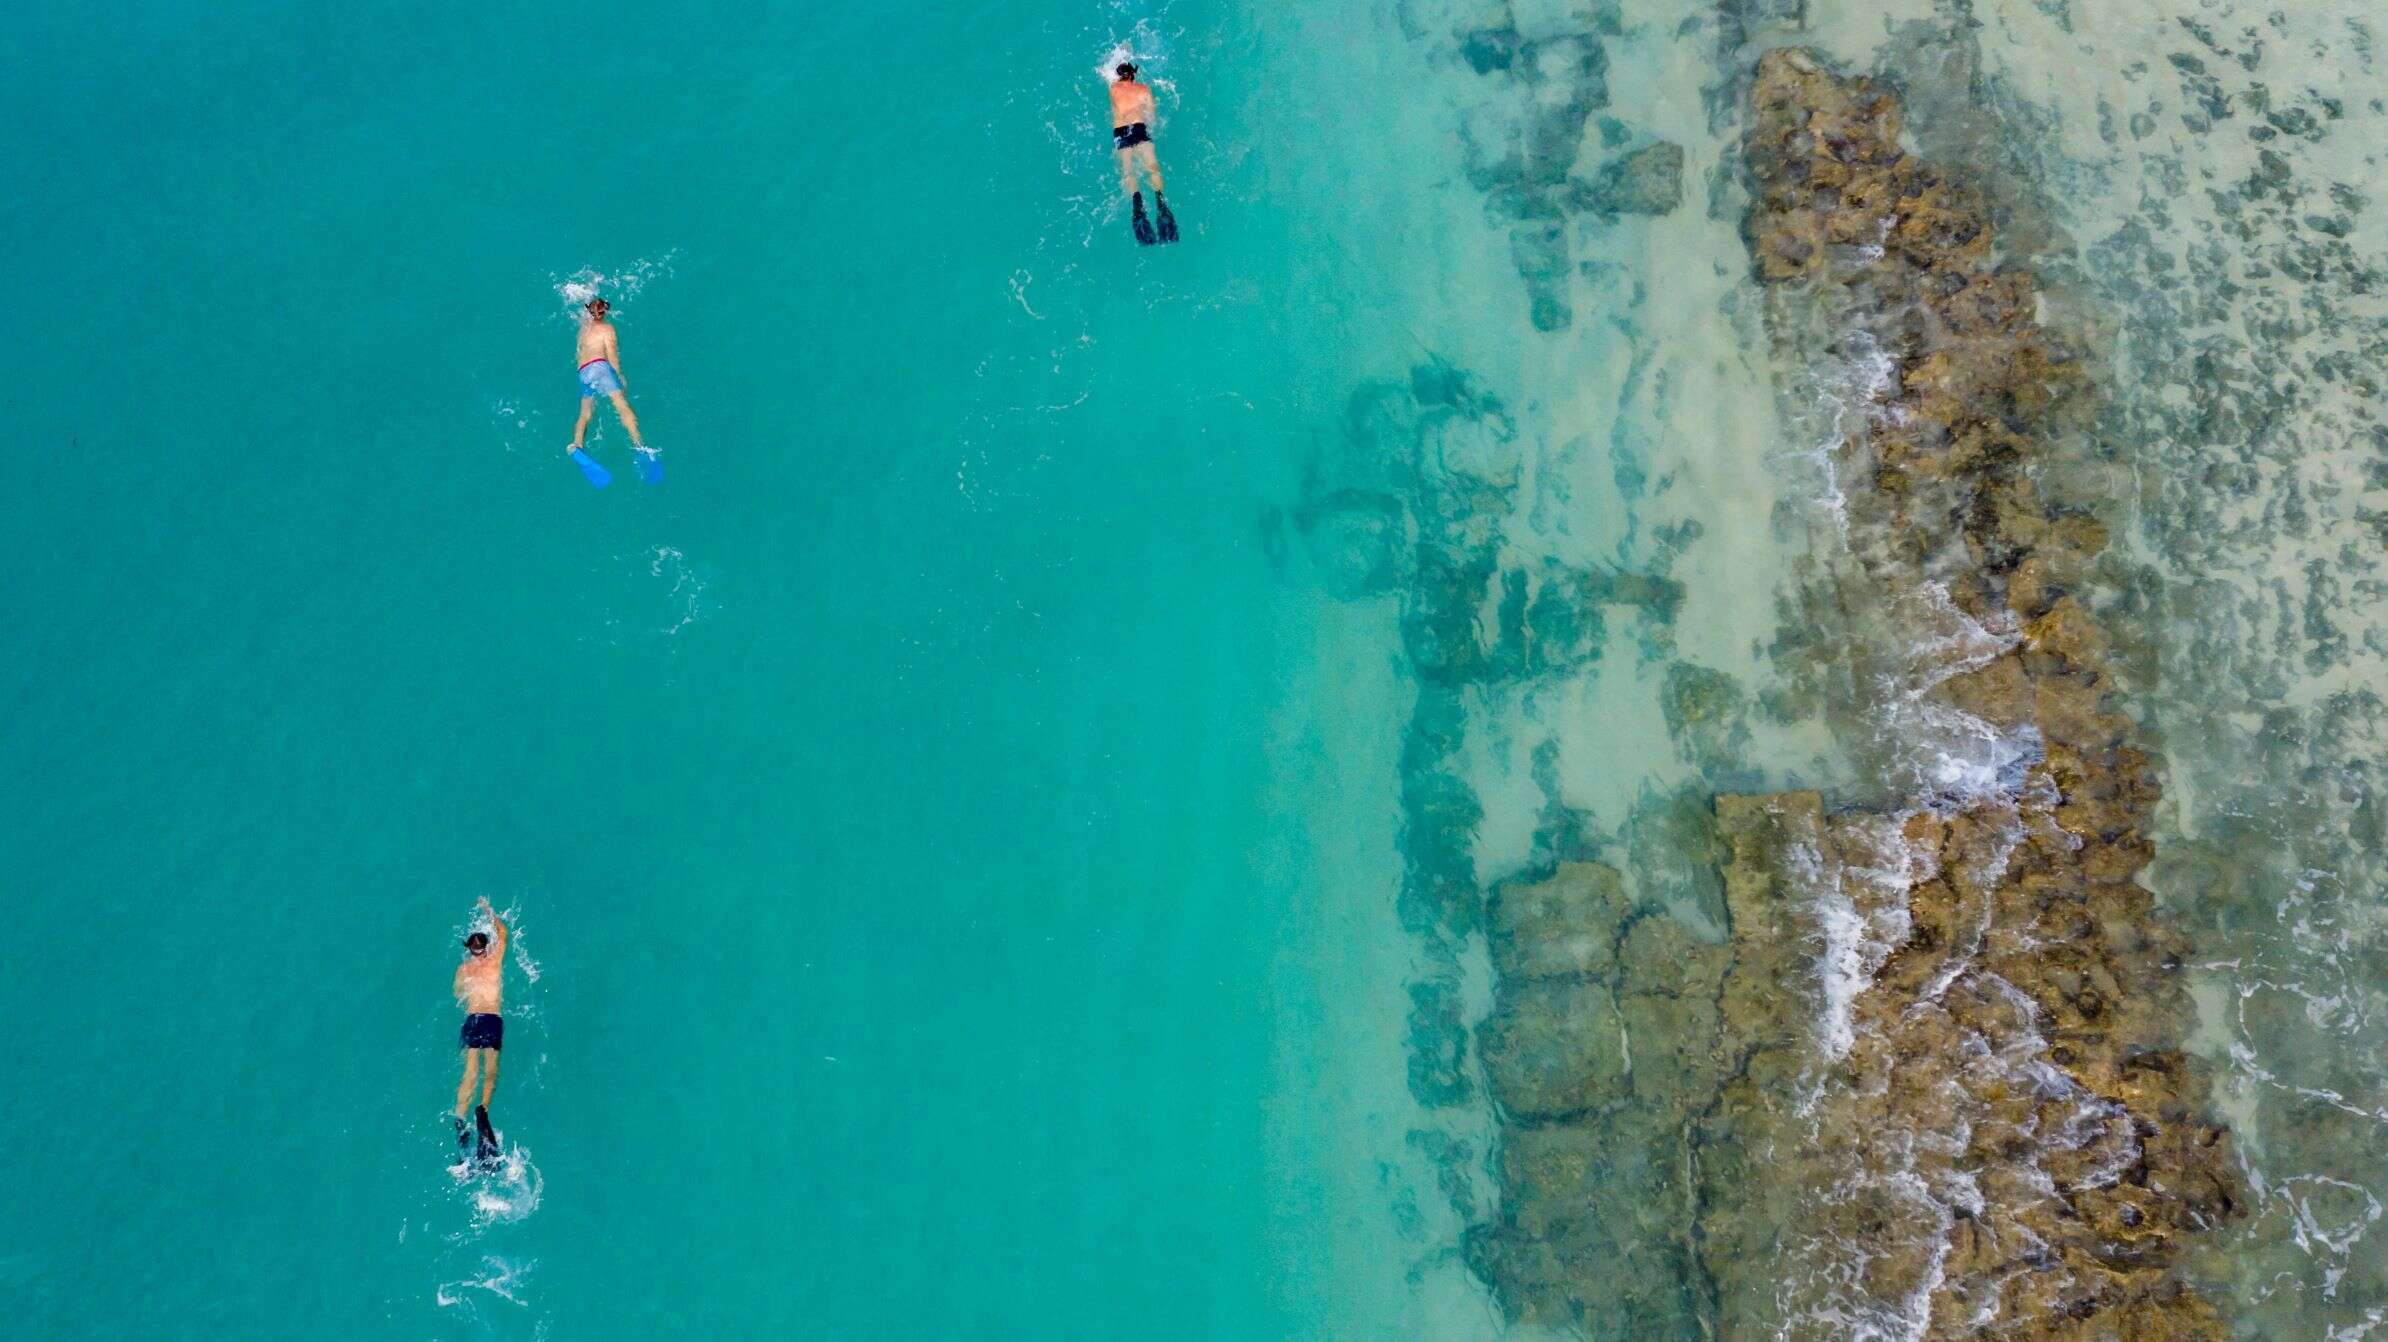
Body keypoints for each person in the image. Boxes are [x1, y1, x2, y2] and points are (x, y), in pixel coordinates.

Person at [571, 298, 659, 482]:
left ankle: (577, 446)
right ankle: (639, 445)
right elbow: (611, 355)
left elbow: (579, 352)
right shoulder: (608, 329)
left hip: (583, 371)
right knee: (621, 406)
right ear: (605, 312)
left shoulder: (583, 329)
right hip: (599, 367)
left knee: (585, 414)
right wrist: (620, 376)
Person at [451, 897, 508, 1166]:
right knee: (491, 1072)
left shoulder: (463, 969)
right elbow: (504, 933)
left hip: (472, 1019)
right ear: (485, 948)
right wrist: (489, 911)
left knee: (469, 1073)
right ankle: (482, 1110)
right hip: (491, 1019)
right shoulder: (495, 961)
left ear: (470, 949)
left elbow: (457, 994)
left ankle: (460, 1119)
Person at [1108, 63, 1179, 245]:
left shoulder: (1113, 88)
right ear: (1133, 74)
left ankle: (1137, 207)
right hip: (1139, 127)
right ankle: (1161, 203)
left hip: (1120, 132)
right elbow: (1152, 116)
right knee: (1153, 168)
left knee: (1128, 171)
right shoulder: (1144, 89)